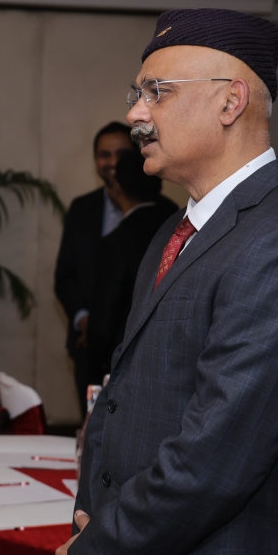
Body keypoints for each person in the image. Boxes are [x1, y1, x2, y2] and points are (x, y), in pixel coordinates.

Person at [54, 9, 278, 555]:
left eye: (157, 92)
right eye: (137, 94)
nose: (136, 114)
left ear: (230, 101)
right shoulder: (175, 232)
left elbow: (213, 459)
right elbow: (124, 402)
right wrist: (93, 534)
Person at [53, 122, 176, 415]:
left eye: (120, 154)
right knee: (93, 426)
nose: (112, 163)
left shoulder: (170, 214)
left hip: (151, 351)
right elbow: (65, 275)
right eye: (104, 155)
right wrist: (86, 320)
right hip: (89, 349)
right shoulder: (82, 208)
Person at [87, 150, 176, 379]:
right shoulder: (179, 229)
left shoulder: (116, 243)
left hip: (125, 365)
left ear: (117, 187)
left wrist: (94, 365)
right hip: (173, 356)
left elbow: (103, 323)